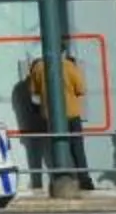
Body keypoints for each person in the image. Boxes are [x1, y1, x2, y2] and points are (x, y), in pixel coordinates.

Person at [21, 49, 88, 188]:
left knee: (55, 148)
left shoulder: (38, 68)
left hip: (51, 117)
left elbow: (33, 91)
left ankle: (55, 180)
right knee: (77, 149)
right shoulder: (69, 65)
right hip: (72, 114)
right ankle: (85, 181)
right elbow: (81, 89)